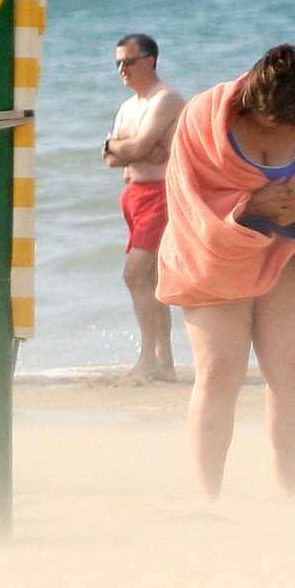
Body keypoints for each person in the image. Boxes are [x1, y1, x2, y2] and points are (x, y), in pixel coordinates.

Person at [156, 43, 295, 499]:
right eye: (273, 121)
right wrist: (248, 207)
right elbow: (187, 200)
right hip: (213, 261)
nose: (284, 128)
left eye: (293, 122)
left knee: (292, 372)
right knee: (219, 371)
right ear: (251, 100)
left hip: (283, 254)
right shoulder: (202, 118)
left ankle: (288, 486)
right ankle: (208, 495)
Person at [101, 33, 187, 383]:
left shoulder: (165, 99)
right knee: (150, 279)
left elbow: (137, 149)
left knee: (135, 274)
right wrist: (125, 148)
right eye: (118, 63)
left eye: (129, 61)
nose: (122, 69)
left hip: (159, 193)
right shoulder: (128, 107)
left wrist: (129, 148)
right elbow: (110, 156)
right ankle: (163, 361)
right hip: (133, 194)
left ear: (150, 60)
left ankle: (148, 357)